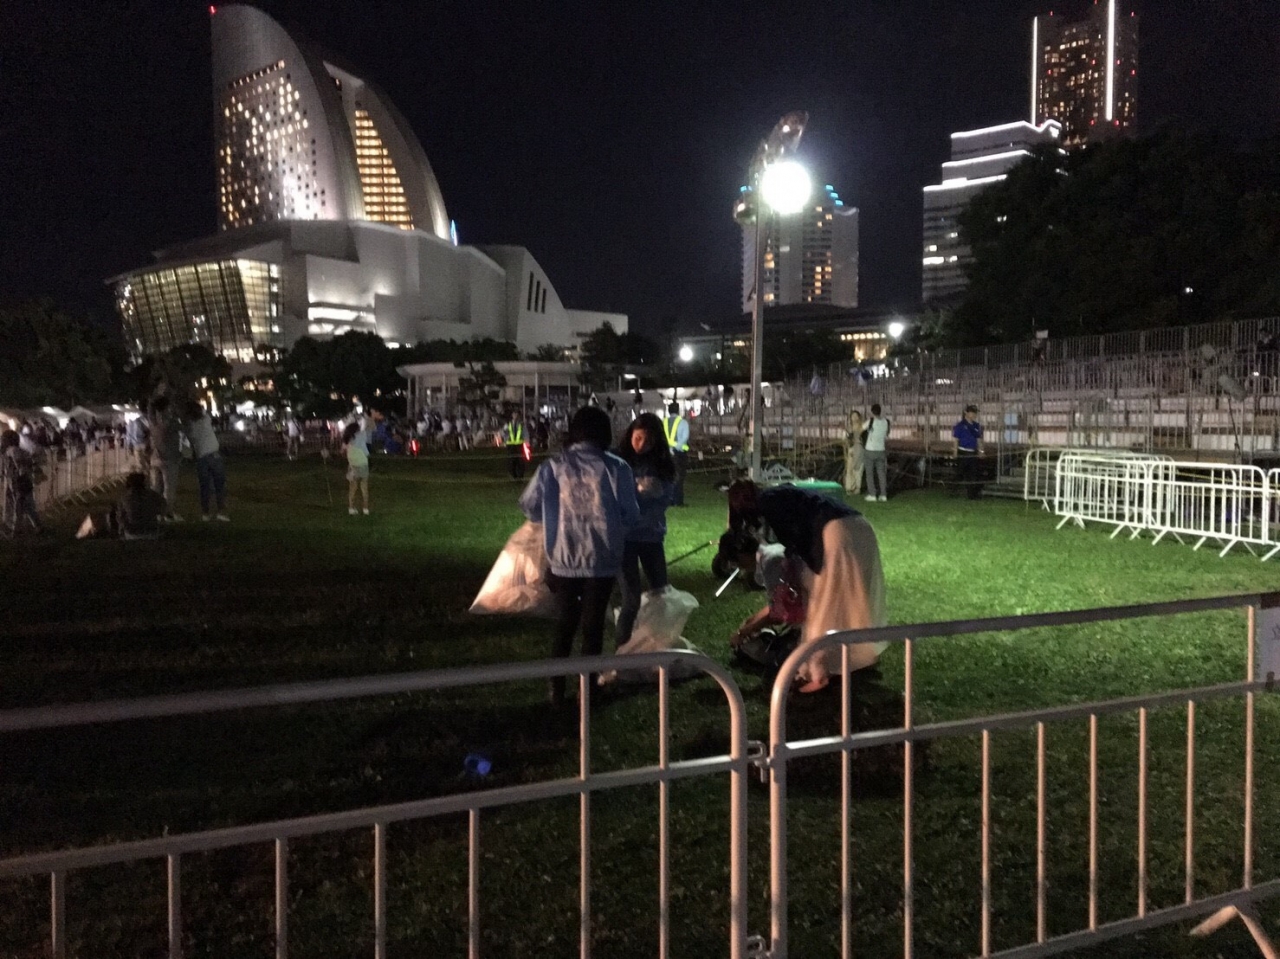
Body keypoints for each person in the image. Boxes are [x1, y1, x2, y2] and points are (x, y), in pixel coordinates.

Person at [519, 406, 639, 706]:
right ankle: (588, 688)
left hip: (564, 557)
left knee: (565, 624)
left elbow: (529, 505)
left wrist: (552, 516)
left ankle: (556, 687)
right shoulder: (617, 468)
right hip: (602, 559)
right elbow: (631, 513)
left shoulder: (553, 466)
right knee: (593, 626)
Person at [726, 481, 887, 693]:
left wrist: (797, 569)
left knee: (821, 607)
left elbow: (795, 541)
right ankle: (858, 655)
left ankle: (815, 672)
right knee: (852, 599)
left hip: (834, 533)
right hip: (860, 526)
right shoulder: (781, 492)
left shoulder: (768, 503)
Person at [614, 413, 677, 649]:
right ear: (630, 434)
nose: (641, 445)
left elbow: (664, 500)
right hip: (626, 539)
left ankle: (658, 645)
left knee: (660, 593)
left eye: (648, 441)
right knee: (631, 599)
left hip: (651, 537)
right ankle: (623, 651)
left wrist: (640, 504)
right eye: (638, 438)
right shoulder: (618, 462)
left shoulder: (663, 465)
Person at [184, 401, 229, 522]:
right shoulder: (206, 419)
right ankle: (220, 511)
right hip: (213, 455)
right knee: (219, 485)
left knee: (205, 486)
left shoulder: (190, 426)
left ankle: (205, 513)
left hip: (201, 457)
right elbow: (205, 413)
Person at [148, 392, 183, 522]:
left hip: (155, 457)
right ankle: (168, 513)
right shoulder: (171, 422)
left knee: (156, 488)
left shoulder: (152, 420)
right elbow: (183, 426)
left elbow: (150, 408)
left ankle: (156, 513)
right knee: (169, 488)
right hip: (169, 458)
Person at [1, 429, 43, 535]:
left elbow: (19, 465)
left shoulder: (12, 450)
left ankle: (16, 529)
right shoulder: (14, 450)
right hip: (17, 481)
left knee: (19, 506)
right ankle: (35, 526)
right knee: (26, 506)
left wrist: (20, 474)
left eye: (3, 439)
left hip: (18, 482)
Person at [113, 471, 166, 539]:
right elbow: (163, 507)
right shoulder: (153, 495)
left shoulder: (124, 498)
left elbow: (120, 517)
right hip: (151, 531)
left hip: (132, 533)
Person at [952, 404, 985, 500]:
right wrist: (955, 452)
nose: (974, 415)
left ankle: (972, 494)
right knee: (959, 473)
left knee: (973, 474)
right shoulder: (960, 425)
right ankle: (952, 490)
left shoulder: (976, 426)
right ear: (966, 413)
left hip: (972, 452)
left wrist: (981, 451)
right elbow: (956, 439)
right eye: (972, 412)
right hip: (963, 452)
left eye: (975, 413)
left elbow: (979, 440)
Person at [662, 401, 690, 506]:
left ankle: (669, 499)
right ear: (678, 410)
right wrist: (675, 447)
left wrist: (668, 448)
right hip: (679, 453)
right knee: (679, 477)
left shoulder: (663, 422)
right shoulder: (683, 422)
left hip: (665, 453)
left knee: (668, 477)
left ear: (668, 411)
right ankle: (678, 501)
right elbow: (684, 438)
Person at [342, 419, 371, 515]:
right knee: (364, 486)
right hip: (362, 463)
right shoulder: (361, 435)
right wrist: (365, 418)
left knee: (352, 488)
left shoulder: (348, 439)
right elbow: (365, 427)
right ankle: (365, 509)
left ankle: (351, 508)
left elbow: (344, 451)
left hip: (352, 464)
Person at [863, 403, 890, 501]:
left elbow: (861, 428)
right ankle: (883, 494)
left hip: (870, 450)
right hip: (881, 450)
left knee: (869, 473)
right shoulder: (886, 422)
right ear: (880, 411)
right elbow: (886, 435)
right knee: (881, 474)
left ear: (872, 412)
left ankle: (872, 494)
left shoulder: (870, 421)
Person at [844, 409, 865, 496]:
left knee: (858, 469)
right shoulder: (849, 428)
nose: (854, 418)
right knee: (849, 469)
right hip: (851, 449)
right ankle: (849, 487)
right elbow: (846, 439)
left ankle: (857, 487)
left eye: (856, 416)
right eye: (853, 416)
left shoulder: (862, 427)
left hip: (859, 448)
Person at [504, 413, 527, 480]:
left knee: (520, 461)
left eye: (516, 415)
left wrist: (526, 441)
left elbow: (525, 432)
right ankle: (514, 476)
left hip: (519, 445)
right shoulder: (508, 424)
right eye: (514, 414)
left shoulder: (521, 424)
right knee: (512, 461)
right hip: (511, 445)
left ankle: (520, 476)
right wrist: (505, 441)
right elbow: (505, 433)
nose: (515, 416)